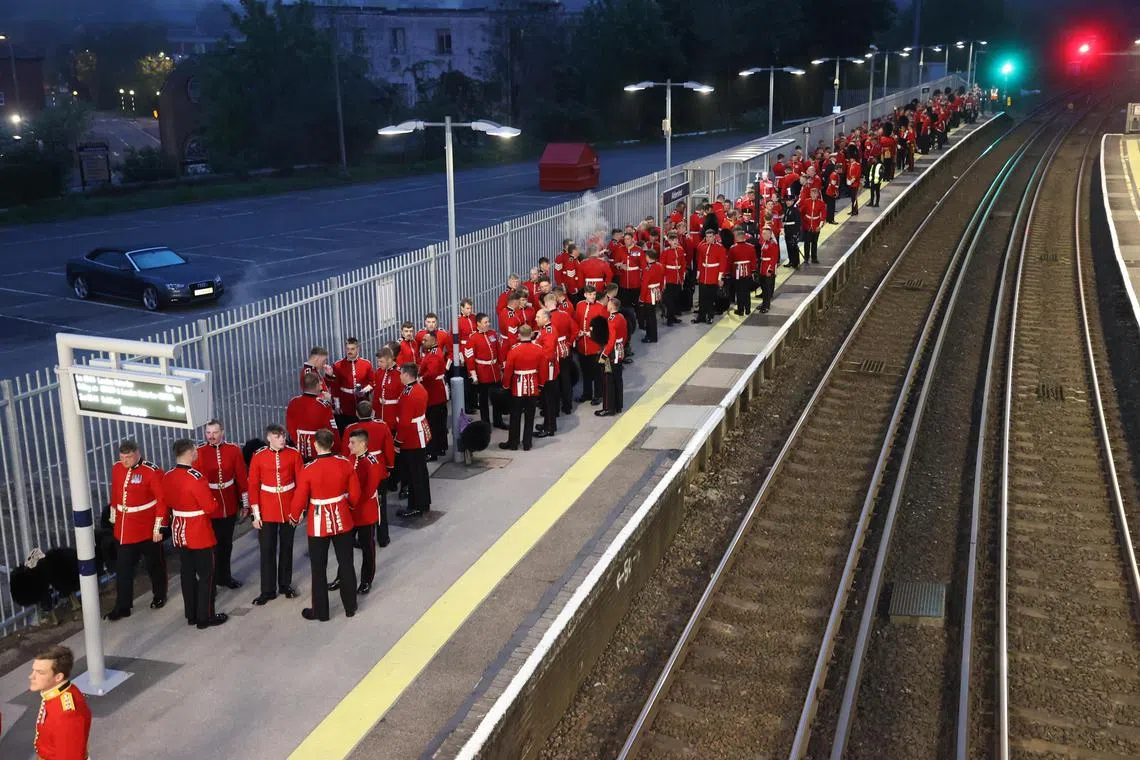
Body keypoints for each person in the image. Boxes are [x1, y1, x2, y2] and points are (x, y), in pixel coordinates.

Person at [288, 429, 359, 621]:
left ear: (315, 445)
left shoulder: (308, 469)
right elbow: (355, 494)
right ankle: (350, 606)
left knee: (318, 568)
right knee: (346, 563)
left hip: (318, 522)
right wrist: (349, 506)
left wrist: (294, 517)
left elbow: (300, 498)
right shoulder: (345, 463)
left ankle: (321, 612)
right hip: (342, 518)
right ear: (332, 443)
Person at [163, 438, 228, 628]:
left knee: (187, 574)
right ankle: (205, 616)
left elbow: (166, 501)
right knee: (207, 575)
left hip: (180, 529)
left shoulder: (168, 476)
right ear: (190, 452)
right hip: (198, 530)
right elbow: (209, 506)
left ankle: (191, 614)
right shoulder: (196, 477)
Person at [105, 439, 166, 621]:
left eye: (129, 457)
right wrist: (114, 517)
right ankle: (122, 606)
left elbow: (161, 501)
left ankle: (159, 595)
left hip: (146, 528)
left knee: (154, 565)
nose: (125, 461)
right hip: (125, 529)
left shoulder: (152, 472)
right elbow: (116, 492)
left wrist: (159, 527)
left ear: (137, 453)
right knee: (123, 569)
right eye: (122, 457)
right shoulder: (117, 468)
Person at [248, 424, 303, 605]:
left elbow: (301, 484)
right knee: (267, 550)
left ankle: (285, 585)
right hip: (267, 508)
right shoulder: (259, 456)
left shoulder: (294, 454)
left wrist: (299, 509)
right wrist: (256, 514)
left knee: (287, 548)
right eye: (278, 436)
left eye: (283, 436)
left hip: (288, 506)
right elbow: (253, 485)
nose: (282, 439)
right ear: (269, 438)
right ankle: (267, 590)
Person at [195, 419, 248, 590]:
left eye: (215, 432)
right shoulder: (199, 452)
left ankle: (225, 576)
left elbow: (241, 477)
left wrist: (245, 503)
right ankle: (211, 578)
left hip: (229, 504)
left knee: (226, 544)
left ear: (222, 432)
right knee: (211, 545)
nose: (211, 436)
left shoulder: (233, 450)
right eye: (208, 433)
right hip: (209, 505)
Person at [336, 429, 385, 595]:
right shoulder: (351, 458)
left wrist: (350, 503)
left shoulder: (372, 463)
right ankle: (341, 576)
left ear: (363, 444)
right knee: (344, 547)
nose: (349, 446)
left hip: (365, 512)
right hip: (351, 510)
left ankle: (366, 581)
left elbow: (368, 490)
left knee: (367, 548)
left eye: (353, 443)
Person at [342, 401, 394, 546]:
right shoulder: (382, 426)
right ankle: (383, 537)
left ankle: (355, 536)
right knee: (380, 504)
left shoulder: (350, 429)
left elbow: (346, 453)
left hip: (358, 470)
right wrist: (389, 467)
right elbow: (389, 449)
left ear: (357, 413)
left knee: (358, 503)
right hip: (380, 469)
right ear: (372, 412)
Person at [30, 645, 92, 760]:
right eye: (33, 670)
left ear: (58, 677)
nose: (31, 676)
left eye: (40, 672)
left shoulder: (67, 715)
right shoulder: (59, 692)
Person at [394, 363, 433, 518]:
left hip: (412, 437)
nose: (400, 376)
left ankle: (416, 505)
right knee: (420, 471)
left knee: (414, 473)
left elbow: (404, 423)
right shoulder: (418, 388)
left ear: (407, 375)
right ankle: (423, 502)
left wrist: (397, 442)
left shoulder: (409, 394)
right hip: (419, 432)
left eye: (401, 374)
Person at [500, 324, 545, 451]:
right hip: (533, 385)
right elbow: (543, 369)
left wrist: (506, 386)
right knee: (530, 416)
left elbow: (508, 370)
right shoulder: (538, 349)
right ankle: (527, 443)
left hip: (517, 387)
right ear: (531, 334)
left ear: (518, 335)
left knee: (515, 416)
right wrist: (540, 385)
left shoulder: (514, 350)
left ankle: (513, 443)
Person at [464, 312, 507, 430]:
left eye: (488, 321)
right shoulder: (472, 338)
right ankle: (486, 423)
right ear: (478, 323)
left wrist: (502, 366)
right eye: (485, 322)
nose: (488, 324)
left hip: (495, 372)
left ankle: (498, 421)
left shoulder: (492, 333)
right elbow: (469, 358)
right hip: (482, 373)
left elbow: (499, 351)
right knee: (483, 402)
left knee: (497, 398)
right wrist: (474, 375)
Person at [287, 373, 339, 461]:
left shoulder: (293, 402)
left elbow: (290, 426)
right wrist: (337, 449)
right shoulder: (324, 405)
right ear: (317, 386)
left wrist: (297, 442)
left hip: (299, 449)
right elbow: (332, 429)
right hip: (320, 449)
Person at [417, 332, 450, 461]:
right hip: (438, 392)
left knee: (433, 424)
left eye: (425, 340)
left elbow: (431, 373)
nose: (422, 342)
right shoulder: (434, 352)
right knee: (440, 423)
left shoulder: (433, 355)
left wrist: (420, 379)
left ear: (433, 341)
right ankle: (441, 447)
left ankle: (433, 451)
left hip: (434, 393)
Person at [543, 293, 576, 415]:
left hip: (552, 352)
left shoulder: (546, 318)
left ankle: (554, 409)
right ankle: (568, 406)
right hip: (565, 349)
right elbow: (575, 331)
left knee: (554, 381)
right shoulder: (565, 315)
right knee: (566, 378)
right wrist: (569, 343)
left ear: (546, 305)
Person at [574, 285, 607, 405]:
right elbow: (576, 320)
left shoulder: (600, 307)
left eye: (594, 294)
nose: (593, 297)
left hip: (594, 345)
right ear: (585, 295)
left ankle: (598, 395)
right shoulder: (579, 305)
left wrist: (591, 333)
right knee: (585, 371)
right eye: (590, 295)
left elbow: (604, 327)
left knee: (597, 373)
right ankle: (587, 394)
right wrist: (577, 332)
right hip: (582, 345)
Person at [330, 338, 373, 428]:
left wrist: (364, 391)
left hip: (362, 403)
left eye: (352, 349)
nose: (350, 351)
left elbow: (372, 382)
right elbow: (335, 386)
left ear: (358, 349)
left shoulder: (366, 364)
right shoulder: (337, 365)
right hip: (345, 404)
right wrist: (337, 405)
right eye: (348, 349)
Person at [597, 297, 628, 417]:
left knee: (608, 380)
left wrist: (604, 355)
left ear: (611, 306)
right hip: (620, 349)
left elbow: (611, 340)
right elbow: (625, 335)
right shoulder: (621, 317)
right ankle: (618, 405)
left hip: (612, 352)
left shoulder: (612, 320)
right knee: (618, 379)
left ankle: (609, 408)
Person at [533, 310, 560, 437]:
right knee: (545, 399)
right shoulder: (545, 329)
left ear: (545, 318)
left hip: (547, 369)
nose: (535, 319)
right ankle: (547, 423)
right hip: (545, 368)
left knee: (549, 399)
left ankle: (550, 427)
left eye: (538, 317)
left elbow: (547, 353)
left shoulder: (549, 331)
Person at [693, 229, 726, 324]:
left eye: (710, 237)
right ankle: (701, 316)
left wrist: (720, 278)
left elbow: (722, 264)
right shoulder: (702, 247)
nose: (708, 239)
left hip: (713, 275)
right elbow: (700, 261)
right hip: (704, 275)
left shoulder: (720, 248)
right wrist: (698, 274)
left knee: (710, 298)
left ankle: (710, 316)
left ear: (714, 237)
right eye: (707, 237)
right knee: (702, 297)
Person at [728, 229, 758, 316]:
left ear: (737, 237)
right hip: (747, 272)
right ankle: (748, 309)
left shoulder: (733, 248)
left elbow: (730, 262)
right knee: (747, 292)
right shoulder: (751, 247)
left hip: (737, 272)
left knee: (739, 292)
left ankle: (740, 310)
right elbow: (753, 261)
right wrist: (753, 271)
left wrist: (728, 273)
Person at [639, 248, 665, 343]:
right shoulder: (660, 266)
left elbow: (645, 285)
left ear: (649, 257)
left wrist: (641, 298)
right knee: (653, 315)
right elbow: (662, 280)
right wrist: (660, 291)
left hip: (649, 295)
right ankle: (653, 335)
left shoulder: (648, 269)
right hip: (656, 291)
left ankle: (650, 336)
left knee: (649, 317)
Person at [660, 231, 685, 325]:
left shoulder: (680, 250)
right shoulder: (665, 252)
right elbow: (662, 267)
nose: (675, 241)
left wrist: (682, 278)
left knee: (675, 298)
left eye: (676, 240)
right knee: (669, 300)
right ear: (669, 241)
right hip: (669, 278)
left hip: (677, 278)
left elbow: (682, 264)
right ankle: (669, 319)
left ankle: (673, 317)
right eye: (672, 240)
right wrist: (663, 280)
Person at [757, 226, 780, 313]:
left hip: (767, 268)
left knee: (767, 289)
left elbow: (774, 258)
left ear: (770, 234)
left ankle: (766, 306)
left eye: (765, 234)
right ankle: (764, 303)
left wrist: (770, 270)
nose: (763, 235)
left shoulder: (773, 244)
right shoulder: (765, 242)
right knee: (763, 288)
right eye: (763, 233)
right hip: (763, 267)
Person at [801, 187, 826, 265]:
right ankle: (806, 258)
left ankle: (814, 258)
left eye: (815, 193)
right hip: (807, 225)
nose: (814, 195)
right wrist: (802, 223)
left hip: (816, 225)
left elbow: (823, 215)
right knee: (807, 243)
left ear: (818, 194)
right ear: (810, 194)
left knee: (814, 242)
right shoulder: (806, 201)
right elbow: (802, 212)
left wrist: (820, 226)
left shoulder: (821, 203)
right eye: (812, 193)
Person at [782, 198, 802, 268]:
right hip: (787, 231)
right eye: (787, 201)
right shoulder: (787, 209)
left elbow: (798, 223)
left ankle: (796, 263)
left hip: (792, 231)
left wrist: (795, 233)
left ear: (793, 202)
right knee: (789, 247)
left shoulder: (795, 210)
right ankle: (791, 261)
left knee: (794, 247)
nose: (788, 202)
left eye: (789, 201)